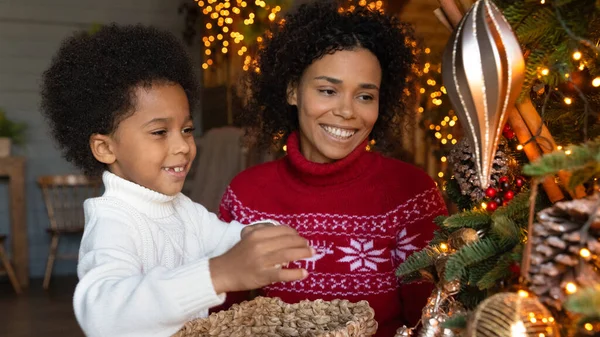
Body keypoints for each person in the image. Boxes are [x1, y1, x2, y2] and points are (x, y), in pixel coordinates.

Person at [40, 24, 314, 337]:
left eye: (186, 129)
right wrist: (218, 274)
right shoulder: (114, 222)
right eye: (159, 132)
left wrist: (258, 235)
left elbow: (225, 238)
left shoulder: (183, 210)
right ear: (105, 147)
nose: (183, 146)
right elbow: (103, 314)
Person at [218, 1, 448, 335]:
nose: (347, 111)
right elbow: (219, 318)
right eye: (328, 90)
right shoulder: (247, 195)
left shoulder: (412, 194)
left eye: (365, 96)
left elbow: (430, 323)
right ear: (293, 90)